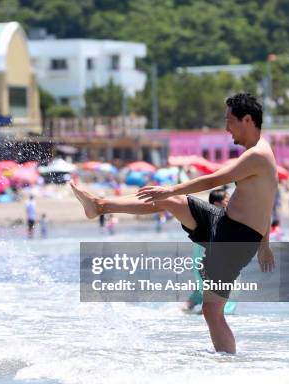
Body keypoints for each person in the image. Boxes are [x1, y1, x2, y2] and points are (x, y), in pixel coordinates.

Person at [71, 93, 276, 354]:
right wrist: (265, 245)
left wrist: (170, 188)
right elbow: (265, 204)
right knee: (174, 202)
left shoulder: (257, 155)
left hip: (234, 241)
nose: (226, 129)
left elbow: (212, 180)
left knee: (212, 312)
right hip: (223, 223)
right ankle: (101, 206)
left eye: (229, 121)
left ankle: (229, 367)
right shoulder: (257, 152)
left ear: (247, 120)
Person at [183, 188, 237, 315]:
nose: (231, 203)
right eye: (227, 200)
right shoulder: (217, 217)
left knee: (203, 290)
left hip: (206, 259)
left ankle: (188, 308)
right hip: (209, 259)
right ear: (217, 203)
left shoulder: (211, 217)